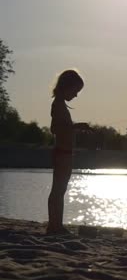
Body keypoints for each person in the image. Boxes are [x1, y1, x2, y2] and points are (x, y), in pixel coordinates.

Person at [47, 69, 91, 235]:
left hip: (65, 153)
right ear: (67, 86)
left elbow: (62, 128)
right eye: (75, 91)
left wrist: (75, 127)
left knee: (60, 190)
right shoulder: (57, 104)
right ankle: (54, 226)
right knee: (58, 190)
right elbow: (55, 129)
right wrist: (76, 126)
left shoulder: (60, 104)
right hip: (61, 153)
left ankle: (56, 225)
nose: (76, 95)